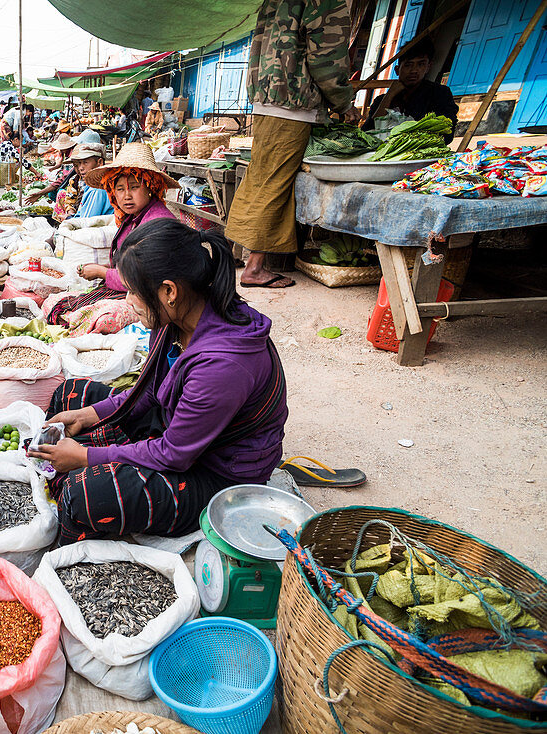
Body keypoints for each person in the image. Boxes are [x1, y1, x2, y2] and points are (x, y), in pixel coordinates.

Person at [28, 220, 287, 544]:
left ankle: (73, 507)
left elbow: (174, 454)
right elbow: (149, 392)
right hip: (178, 429)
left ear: (169, 291)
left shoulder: (223, 366)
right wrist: (88, 415)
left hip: (218, 476)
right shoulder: (176, 317)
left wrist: (85, 457)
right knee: (72, 395)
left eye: (134, 291)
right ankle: (74, 463)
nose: (128, 299)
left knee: (87, 493)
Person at [223, 0, 356, 289]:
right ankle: (255, 268)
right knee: (275, 183)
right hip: (292, 102)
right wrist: (344, 102)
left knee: (262, 177)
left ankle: (238, 258)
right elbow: (326, 59)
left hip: (269, 98)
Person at [46, 142, 178, 329]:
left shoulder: (156, 223)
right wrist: (104, 267)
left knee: (94, 319)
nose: (126, 196)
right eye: (120, 189)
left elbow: (141, 278)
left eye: (134, 187)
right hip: (132, 289)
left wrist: (102, 272)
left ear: (150, 187)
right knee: (55, 304)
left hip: (151, 296)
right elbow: (129, 261)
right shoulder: (132, 217)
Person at [363, 38, 458, 142]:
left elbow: (447, 133)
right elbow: (367, 131)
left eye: (421, 64)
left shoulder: (439, 94)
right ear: (397, 70)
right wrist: (389, 96)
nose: (414, 70)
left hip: (420, 152)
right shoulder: (381, 100)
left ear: (428, 67)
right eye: (408, 65)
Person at [56, 143, 114, 221]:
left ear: (99, 162)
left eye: (85, 162)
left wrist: (68, 219)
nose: (80, 168)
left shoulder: (96, 190)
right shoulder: (91, 186)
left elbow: (85, 223)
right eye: (78, 164)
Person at [26, 133, 77, 204]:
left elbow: (64, 179)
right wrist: (52, 169)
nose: (61, 149)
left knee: (59, 192)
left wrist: (40, 193)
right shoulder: (65, 153)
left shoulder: (73, 156)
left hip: (70, 184)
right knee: (52, 192)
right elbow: (61, 165)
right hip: (63, 180)